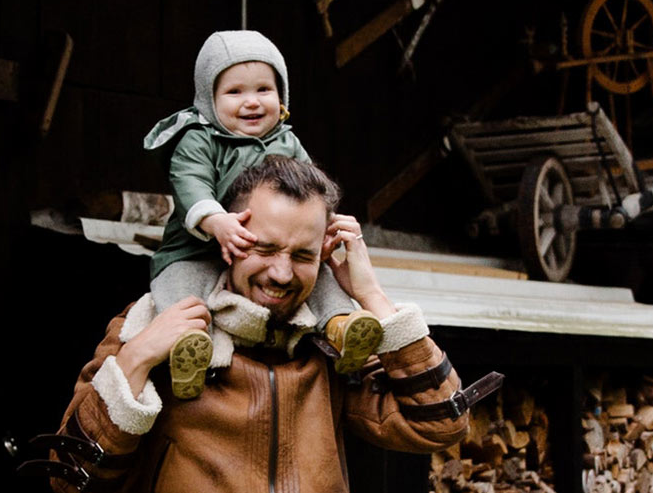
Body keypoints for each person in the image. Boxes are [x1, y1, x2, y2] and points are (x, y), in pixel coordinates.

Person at [51, 156, 488, 492]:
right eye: (264, 249)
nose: (281, 273)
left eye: (301, 255)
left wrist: (371, 295)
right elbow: (69, 479)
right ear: (230, 240)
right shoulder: (154, 322)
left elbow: (442, 424)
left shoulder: (333, 346)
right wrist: (136, 360)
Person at [141, 30, 381, 400]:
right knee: (179, 289)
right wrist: (215, 220)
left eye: (263, 90)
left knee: (319, 276)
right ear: (209, 99)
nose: (251, 103)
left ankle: (341, 326)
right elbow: (190, 183)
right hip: (197, 246)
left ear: (282, 98)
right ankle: (187, 347)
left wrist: (323, 227)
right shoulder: (198, 138)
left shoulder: (287, 142)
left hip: (262, 249)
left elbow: (310, 192)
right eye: (235, 92)